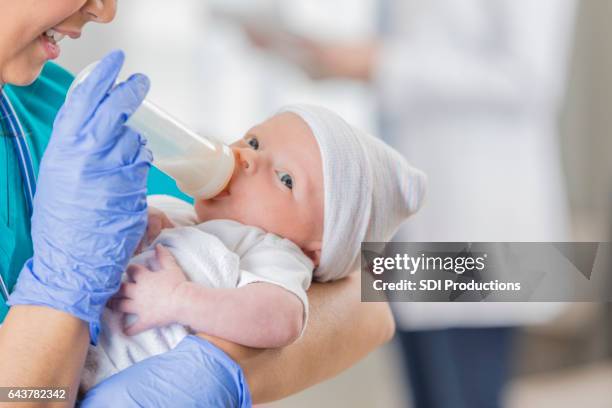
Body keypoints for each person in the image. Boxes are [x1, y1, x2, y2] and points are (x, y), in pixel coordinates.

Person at [0, 1, 396, 406]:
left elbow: (376, 299)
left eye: (287, 179)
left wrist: (215, 363)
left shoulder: (60, 107)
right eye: (254, 141)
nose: (105, 11)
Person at [244, 0, 576, 406]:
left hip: (479, 218)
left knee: (463, 393)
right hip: (411, 221)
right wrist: (328, 58)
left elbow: (532, 77)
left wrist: (381, 62)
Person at [80, 104, 426, 391]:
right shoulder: (177, 212)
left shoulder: (274, 251)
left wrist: (180, 299)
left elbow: (280, 319)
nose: (247, 158)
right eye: (255, 141)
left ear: (313, 251)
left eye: (285, 179)